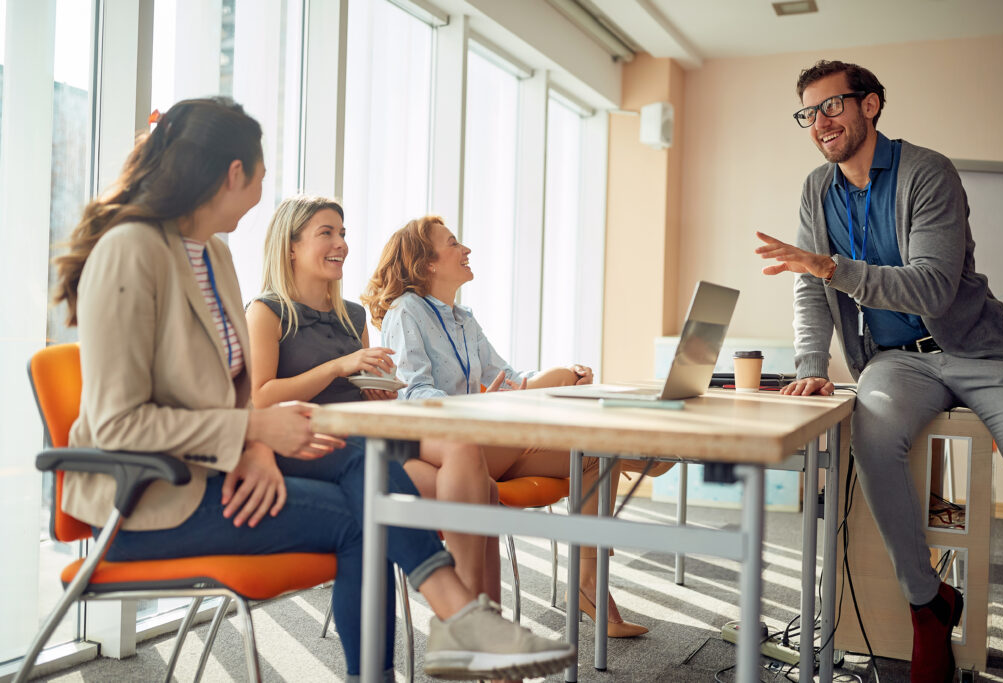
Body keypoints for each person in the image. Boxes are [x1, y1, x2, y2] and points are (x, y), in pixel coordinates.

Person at [53, 98, 574, 683]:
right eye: (260, 178)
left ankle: (459, 623)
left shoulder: (214, 254)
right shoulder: (130, 251)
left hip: (219, 470)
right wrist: (252, 432)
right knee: (365, 515)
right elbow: (123, 425)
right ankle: (458, 618)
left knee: (365, 479)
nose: (259, 197)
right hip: (149, 499)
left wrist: (251, 449)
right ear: (233, 173)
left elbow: (225, 392)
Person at [755, 60, 1003, 683]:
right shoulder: (815, 190)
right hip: (898, 362)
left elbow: (932, 285)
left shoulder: (927, 171)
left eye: (833, 106)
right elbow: (807, 288)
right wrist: (809, 366)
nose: (820, 122)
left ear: (870, 105)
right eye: (809, 112)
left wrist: (828, 268)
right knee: (869, 435)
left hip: (978, 350)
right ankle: (928, 604)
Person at [364, 215, 673, 638]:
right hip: (448, 449)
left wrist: (563, 374)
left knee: (596, 455)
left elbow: (508, 379)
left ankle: (586, 584)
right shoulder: (406, 313)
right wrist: (479, 405)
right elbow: (412, 396)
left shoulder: (463, 318)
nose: (466, 249)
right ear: (426, 263)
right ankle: (641, 450)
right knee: (595, 440)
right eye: (454, 243)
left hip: (491, 438)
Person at [245, 194, 503, 647]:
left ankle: (472, 621)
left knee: (464, 446)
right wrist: (338, 367)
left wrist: (381, 387)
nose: (341, 243)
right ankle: (473, 629)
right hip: (324, 449)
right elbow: (260, 399)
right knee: (487, 492)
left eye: (342, 233)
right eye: (326, 233)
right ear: (290, 246)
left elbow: (364, 390)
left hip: (373, 433)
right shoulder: (266, 312)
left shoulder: (353, 315)